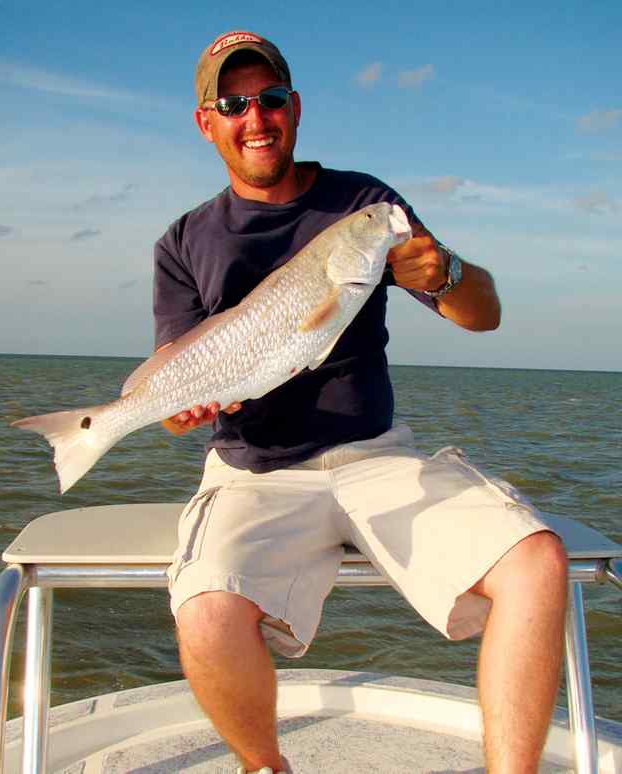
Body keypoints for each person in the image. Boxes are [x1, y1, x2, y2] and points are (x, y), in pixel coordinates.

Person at [153, 30, 568, 774]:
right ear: (206, 121)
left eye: (271, 98)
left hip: (376, 455)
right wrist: (167, 402)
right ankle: (265, 767)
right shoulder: (183, 241)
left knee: (537, 562)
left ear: (296, 107)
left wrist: (442, 274)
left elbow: (484, 312)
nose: (257, 118)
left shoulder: (365, 207)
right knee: (207, 612)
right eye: (234, 103)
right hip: (254, 472)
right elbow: (174, 360)